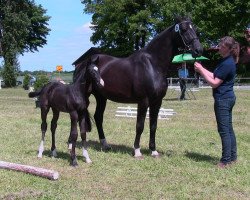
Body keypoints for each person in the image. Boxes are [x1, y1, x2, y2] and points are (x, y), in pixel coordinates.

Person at [194, 36, 240, 168]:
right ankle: (233, 157)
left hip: (223, 99)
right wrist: (202, 68)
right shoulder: (226, 61)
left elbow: (214, 83)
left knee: (224, 131)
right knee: (229, 129)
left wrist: (201, 70)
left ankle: (225, 161)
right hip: (228, 98)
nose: (219, 47)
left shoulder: (227, 63)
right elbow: (215, 75)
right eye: (220, 44)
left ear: (229, 49)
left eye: (222, 46)